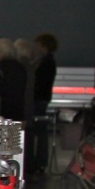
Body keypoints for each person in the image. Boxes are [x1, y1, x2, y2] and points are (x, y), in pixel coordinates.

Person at [29, 32, 59, 173]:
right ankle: (40, 161)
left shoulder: (45, 63)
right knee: (41, 130)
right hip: (42, 98)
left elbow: (40, 82)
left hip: (39, 99)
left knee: (40, 131)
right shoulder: (48, 62)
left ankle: (40, 161)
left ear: (44, 46)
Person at [0, 38, 27, 122]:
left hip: (5, 106)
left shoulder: (2, 66)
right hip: (19, 107)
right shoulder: (20, 66)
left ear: (1, 51)